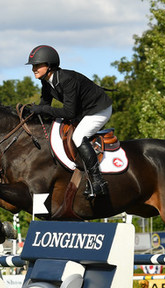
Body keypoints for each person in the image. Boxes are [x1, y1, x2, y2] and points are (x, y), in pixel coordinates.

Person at [26, 45, 112, 199]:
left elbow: (68, 112)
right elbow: (44, 106)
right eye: (33, 66)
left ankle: (98, 181)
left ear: (50, 65)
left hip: (98, 110)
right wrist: (30, 113)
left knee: (78, 137)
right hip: (82, 112)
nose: (34, 69)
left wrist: (42, 110)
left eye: (37, 65)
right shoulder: (46, 82)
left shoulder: (67, 80)